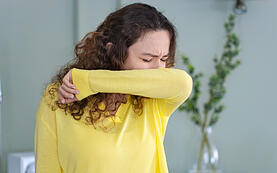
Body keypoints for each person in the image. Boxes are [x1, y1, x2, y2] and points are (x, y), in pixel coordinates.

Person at [34, 3, 192, 173]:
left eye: (164, 59)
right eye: (147, 59)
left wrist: (90, 81)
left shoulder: (154, 99)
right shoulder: (59, 95)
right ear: (113, 52)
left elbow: (182, 82)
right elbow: (46, 167)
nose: (159, 69)